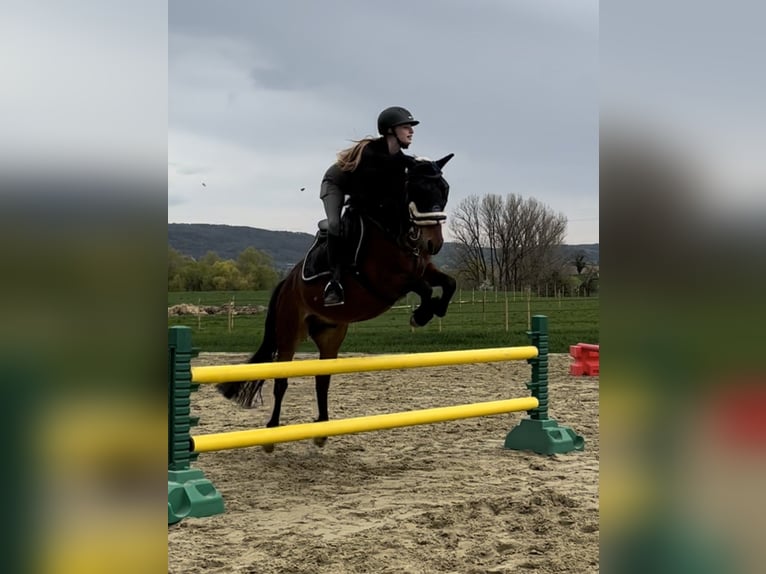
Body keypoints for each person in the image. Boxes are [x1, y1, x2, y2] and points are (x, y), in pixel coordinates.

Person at [319, 106, 419, 306]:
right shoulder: (369, 153)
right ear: (390, 130)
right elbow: (363, 198)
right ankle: (334, 282)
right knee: (336, 225)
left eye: (411, 127)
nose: (412, 131)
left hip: (358, 190)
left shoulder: (400, 160)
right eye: (406, 126)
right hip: (336, 184)